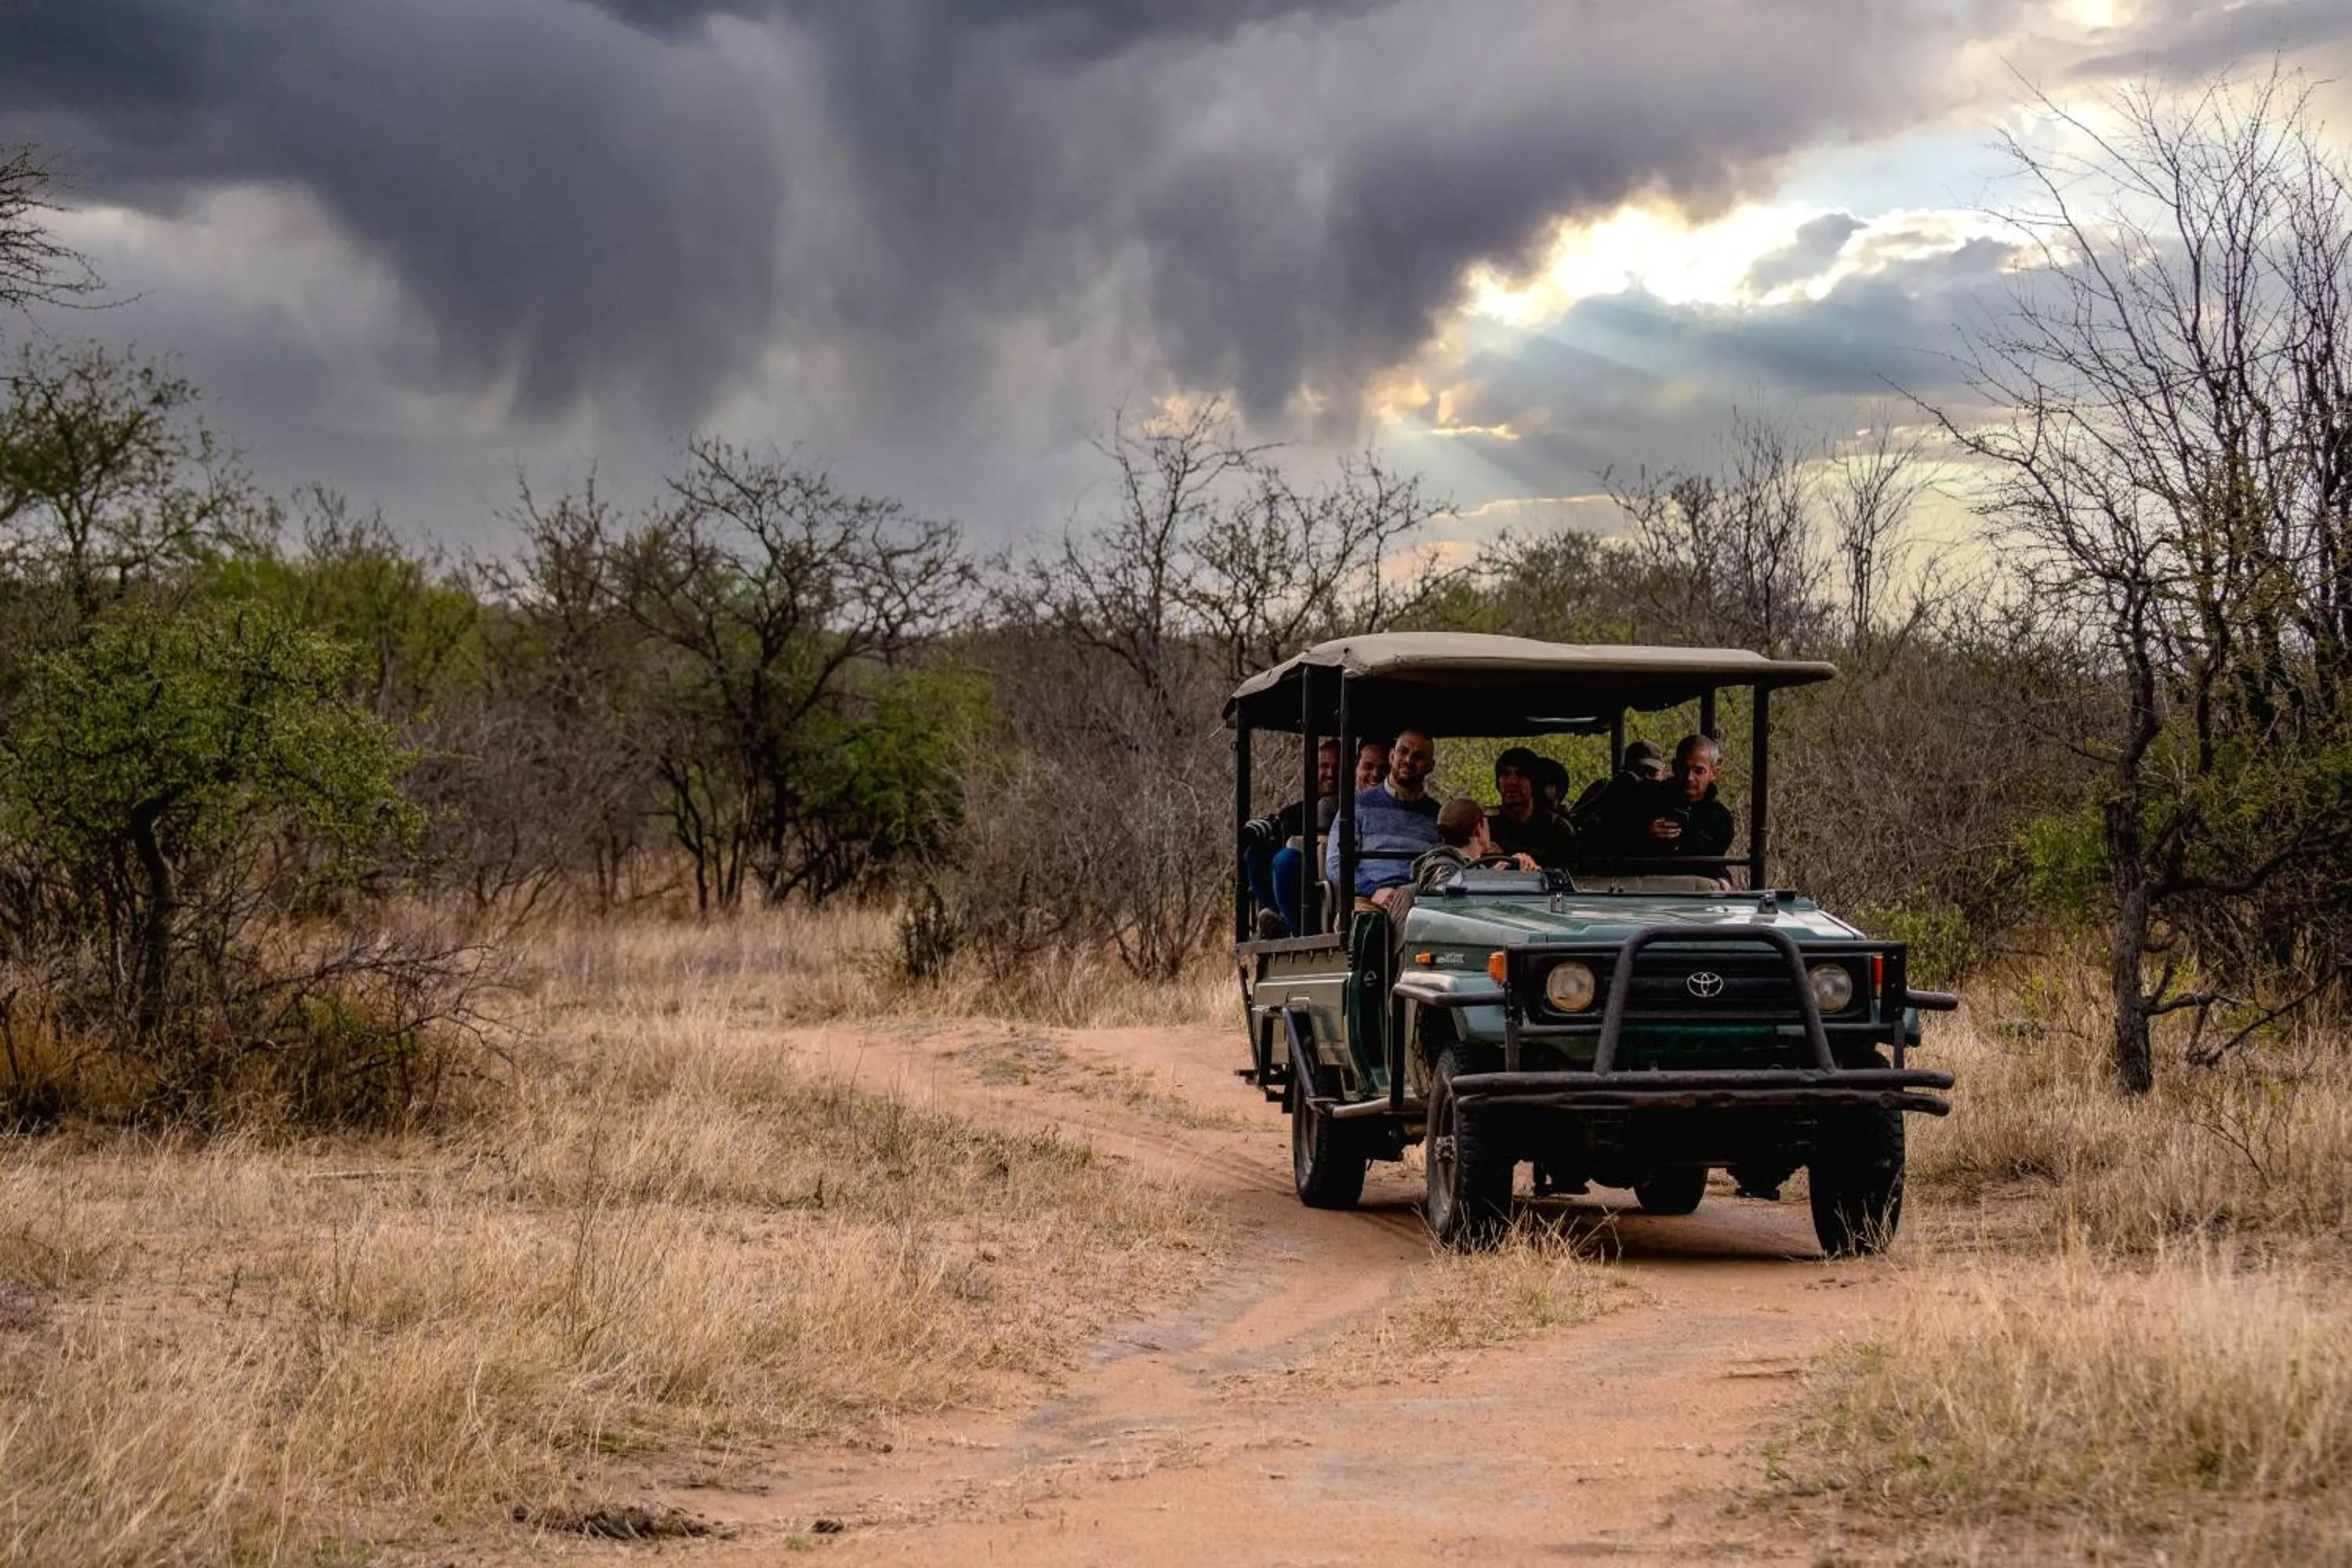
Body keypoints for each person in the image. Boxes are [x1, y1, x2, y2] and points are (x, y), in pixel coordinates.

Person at [1327, 728, 1440, 906]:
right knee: (1366, 921)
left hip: (1421, 900)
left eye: (1418, 756)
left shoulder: (1437, 814)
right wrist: (1372, 891)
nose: (1408, 761)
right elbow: (1335, 863)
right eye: (1403, 752)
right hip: (1368, 899)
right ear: (1391, 756)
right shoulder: (1357, 805)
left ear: (1430, 766)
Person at [1243, 739, 1338, 936]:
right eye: (1324, 766)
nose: (1331, 773)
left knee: (1285, 861)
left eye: (1337, 767)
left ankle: (1290, 928)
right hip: (1294, 890)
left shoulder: (1351, 808)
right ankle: (1273, 918)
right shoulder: (1294, 813)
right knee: (1255, 854)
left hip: (1324, 886)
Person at [1396, 794, 1538, 898]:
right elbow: (1451, 893)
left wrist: (1503, 874)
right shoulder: (1439, 866)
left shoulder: (1466, 865)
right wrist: (1493, 878)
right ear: (1479, 828)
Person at [1570, 739, 1671, 862]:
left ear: (1663, 772)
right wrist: (1642, 832)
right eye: (1638, 773)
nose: (1645, 780)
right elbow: (1589, 835)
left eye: (1652, 773)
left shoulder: (1668, 797)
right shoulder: (1612, 795)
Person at [1647, 734, 1737, 866]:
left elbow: (1709, 861)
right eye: (1684, 769)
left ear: (1714, 773)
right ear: (1675, 767)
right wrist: (1646, 833)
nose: (1689, 778)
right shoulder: (1649, 800)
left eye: (1698, 771)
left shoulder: (1720, 818)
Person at [1487, 746, 1577, 867]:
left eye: (1521, 775)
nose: (1512, 781)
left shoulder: (1557, 829)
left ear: (1534, 783)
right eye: (1505, 774)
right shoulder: (1485, 829)